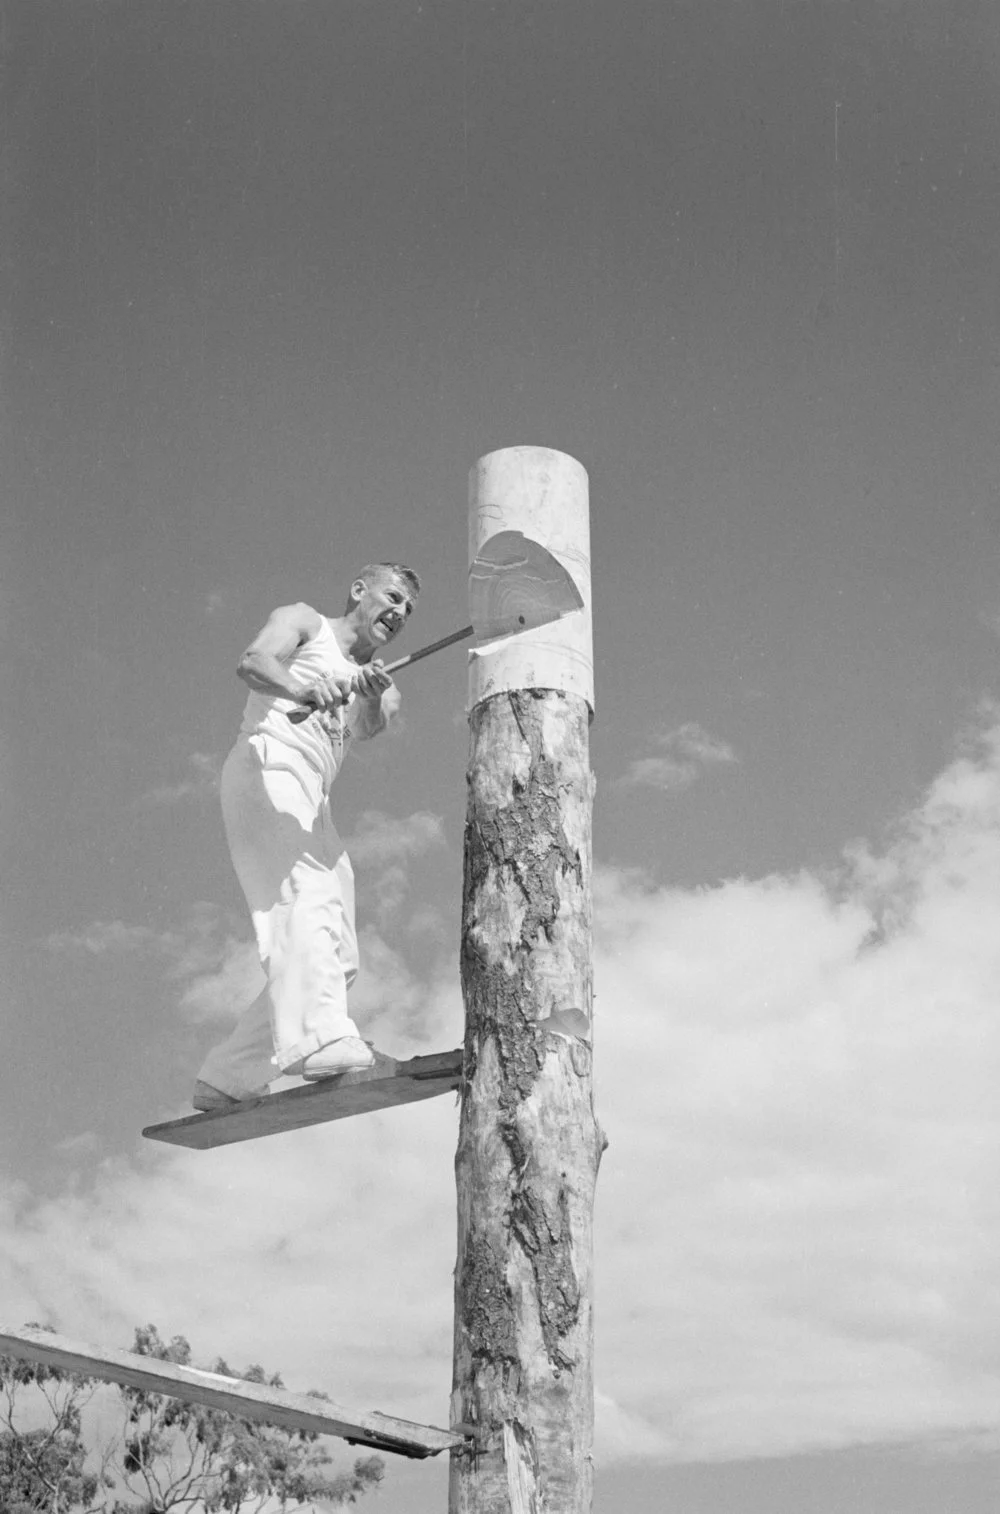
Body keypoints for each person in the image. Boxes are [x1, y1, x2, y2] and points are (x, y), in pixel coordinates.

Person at [192, 562, 420, 1111]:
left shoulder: (381, 682)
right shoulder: (304, 622)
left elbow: (368, 725)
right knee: (308, 897)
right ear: (359, 591)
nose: (400, 612)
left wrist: (366, 691)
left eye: (408, 610)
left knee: (340, 953)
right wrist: (303, 686)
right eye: (392, 597)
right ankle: (319, 1041)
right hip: (266, 767)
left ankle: (228, 1075)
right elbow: (252, 661)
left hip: (312, 797)